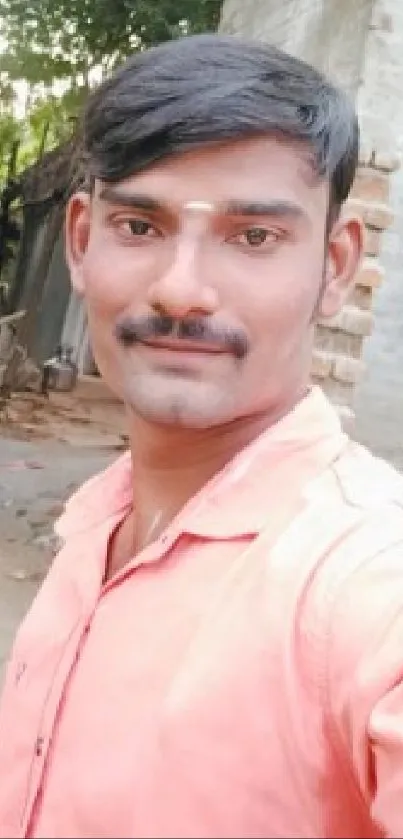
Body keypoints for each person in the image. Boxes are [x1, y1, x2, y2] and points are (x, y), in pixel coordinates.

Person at [0, 32, 402, 839]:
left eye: (253, 236)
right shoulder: (95, 520)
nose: (182, 290)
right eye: (139, 227)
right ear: (81, 240)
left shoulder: (363, 577)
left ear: (333, 266)